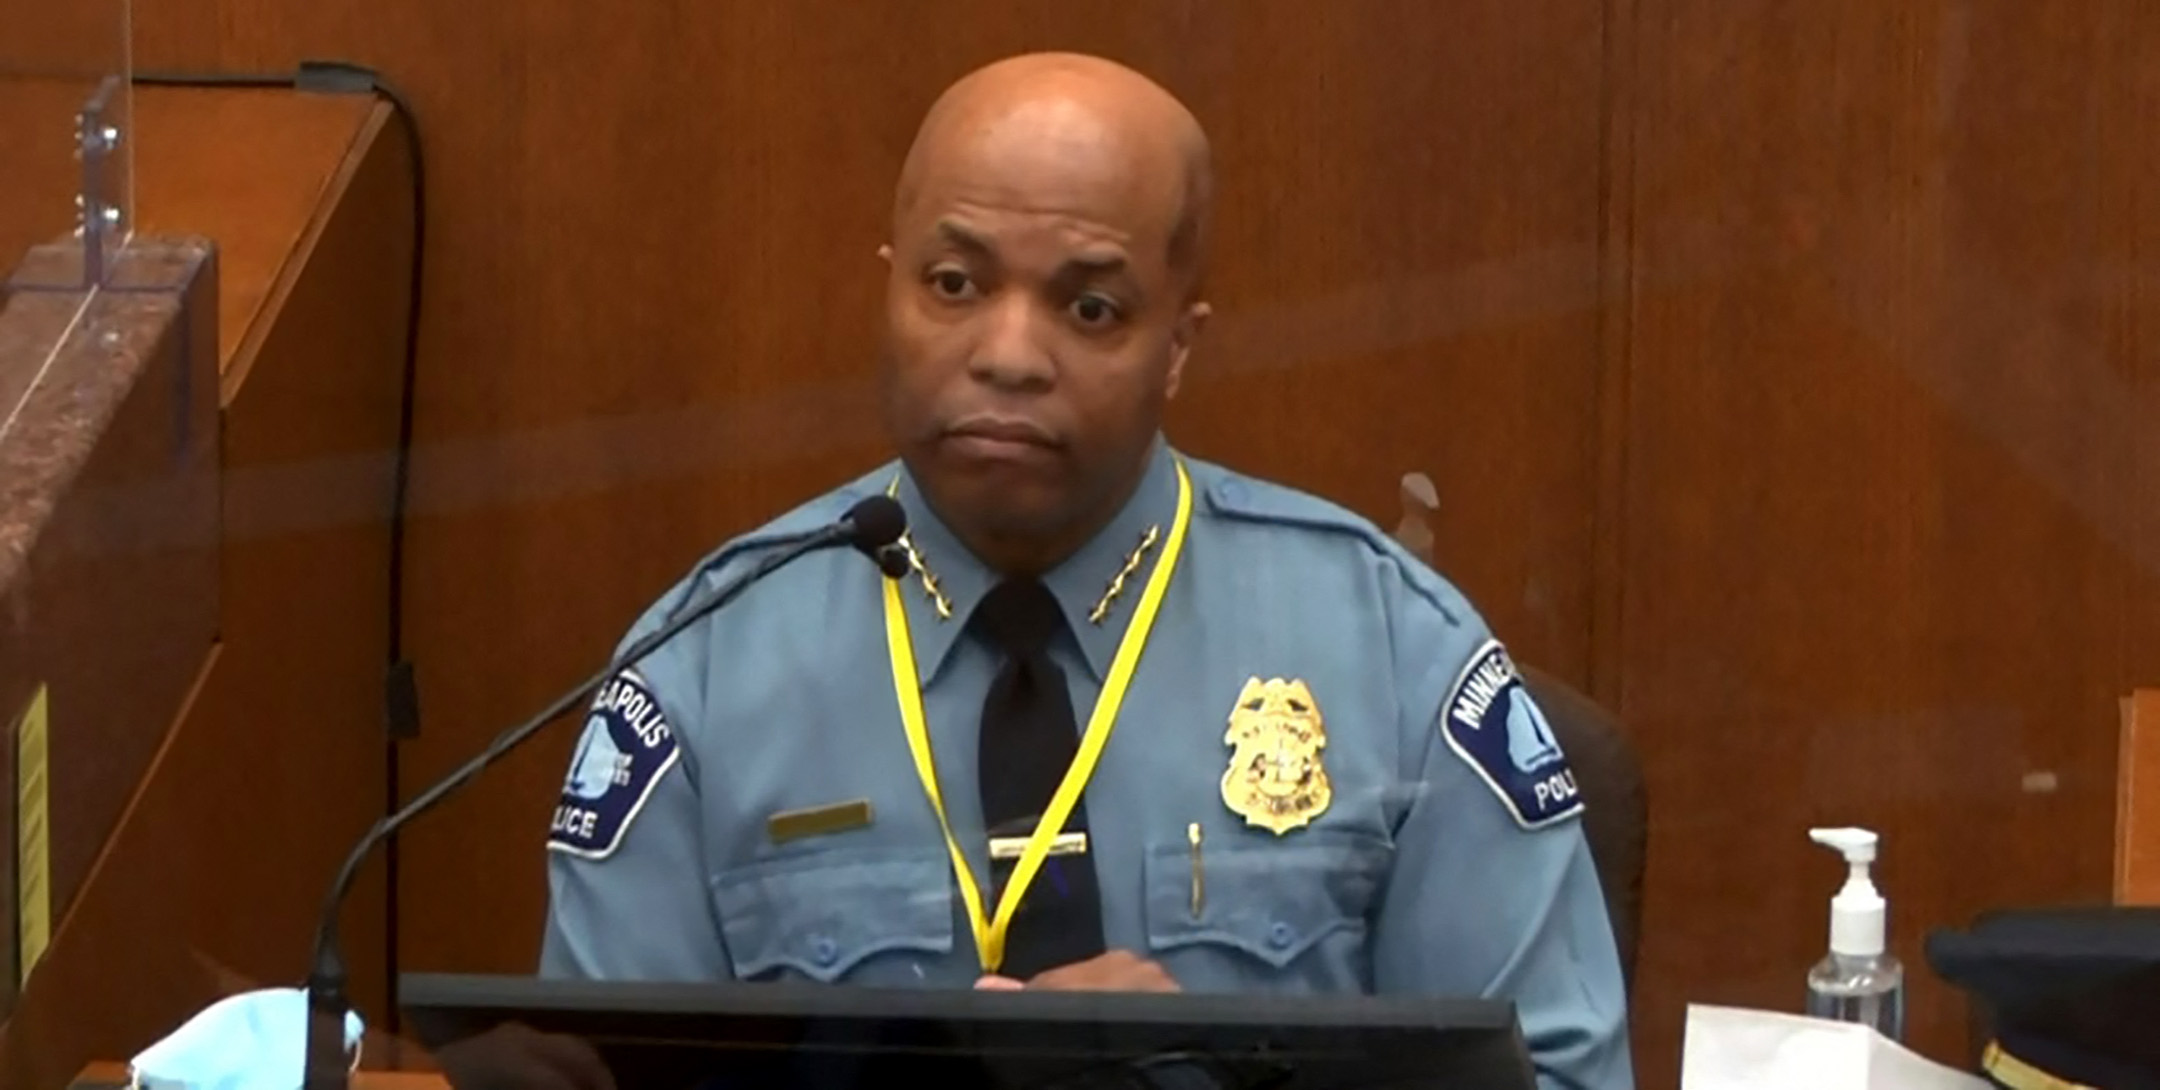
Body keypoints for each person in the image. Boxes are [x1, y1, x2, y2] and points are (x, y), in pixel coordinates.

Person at [539, 51, 1633, 1090]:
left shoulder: (1394, 653)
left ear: (1180, 343)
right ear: (890, 289)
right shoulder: (704, 671)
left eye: (1090, 307)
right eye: (955, 283)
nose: (1009, 353)